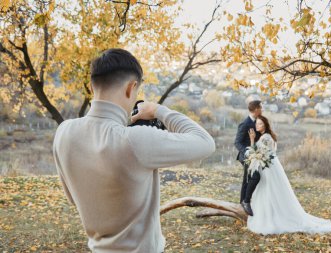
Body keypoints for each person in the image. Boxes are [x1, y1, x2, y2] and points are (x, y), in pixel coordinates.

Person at [52, 48, 215, 253]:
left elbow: (73, 197)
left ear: (93, 86)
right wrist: (158, 110)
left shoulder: (64, 132)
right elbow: (205, 142)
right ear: (131, 88)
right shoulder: (135, 140)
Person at [246, 115, 331, 235]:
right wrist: (253, 140)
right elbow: (261, 153)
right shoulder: (266, 136)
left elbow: (259, 153)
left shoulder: (266, 138)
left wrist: (252, 140)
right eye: (257, 123)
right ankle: (272, 214)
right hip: (270, 166)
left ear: (265, 125)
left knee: (268, 191)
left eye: (260, 124)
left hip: (267, 168)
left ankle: (270, 218)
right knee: (270, 192)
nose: (257, 125)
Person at [234, 100, 262, 216]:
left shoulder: (258, 121)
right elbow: (237, 142)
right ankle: (245, 202)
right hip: (246, 156)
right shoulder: (245, 124)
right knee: (252, 177)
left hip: (256, 155)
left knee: (248, 178)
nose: (262, 110)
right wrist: (248, 153)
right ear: (256, 109)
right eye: (260, 108)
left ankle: (244, 201)